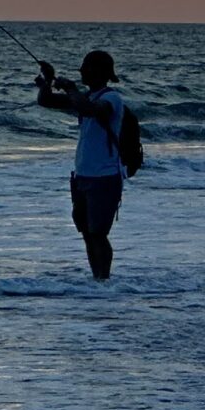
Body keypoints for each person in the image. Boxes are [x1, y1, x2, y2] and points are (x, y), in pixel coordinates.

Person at [38, 50, 129, 280]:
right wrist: (47, 80)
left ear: (99, 72)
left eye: (86, 67)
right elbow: (46, 101)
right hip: (82, 177)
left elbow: (90, 110)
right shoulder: (87, 96)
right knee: (88, 233)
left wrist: (71, 89)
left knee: (98, 233)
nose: (81, 71)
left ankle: (103, 279)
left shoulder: (111, 99)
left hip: (105, 178)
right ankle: (97, 279)